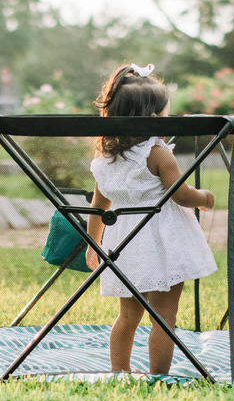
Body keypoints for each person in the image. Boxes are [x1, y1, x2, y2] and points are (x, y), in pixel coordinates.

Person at [86, 62, 218, 374]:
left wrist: (94, 242)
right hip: (163, 240)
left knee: (127, 316)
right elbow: (180, 194)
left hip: (124, 244)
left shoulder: (106, 159)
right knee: (164, 316)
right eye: (165, 115)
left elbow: (98, 204)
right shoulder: (158, 153)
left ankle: (120, 372)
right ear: (151, 118)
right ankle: (158, 376)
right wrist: (205, 198)